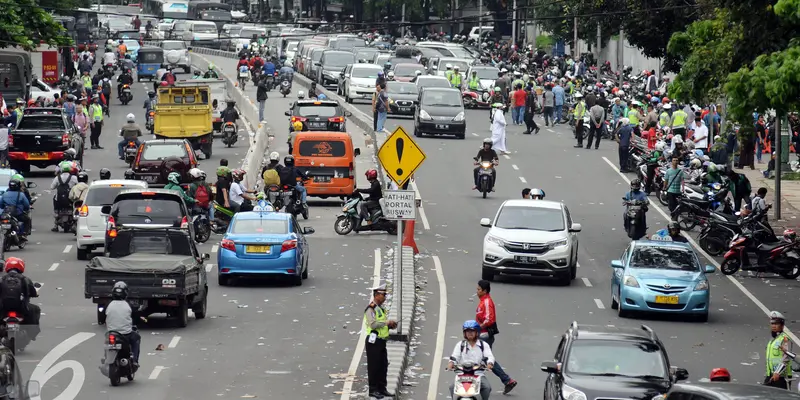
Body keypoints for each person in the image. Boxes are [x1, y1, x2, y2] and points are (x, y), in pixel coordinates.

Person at [475, 280, 518, 394]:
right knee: (484, 358)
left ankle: (506, 380)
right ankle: (506, 380)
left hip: (485, 334)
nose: (477, 291)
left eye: (479, 289)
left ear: (484, 291)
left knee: (484, 358)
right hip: (481, 334)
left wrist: (479, 327)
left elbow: (489, 319)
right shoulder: (483, 301)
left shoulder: (487, 302)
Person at [363, 283, 397, 399]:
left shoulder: (380, 309)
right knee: (374, 367)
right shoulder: (370, 309)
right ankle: (373, 390)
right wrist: (386, 323)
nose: (385, 297)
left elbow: (382, 325)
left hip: (382, 341)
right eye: (383, 295)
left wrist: (390, 325)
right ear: (377, 295)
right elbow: (372, 324)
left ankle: (382, 389)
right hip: (373, 342)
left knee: (383, 366)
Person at [447, 320, 495, 400]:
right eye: (467, 331)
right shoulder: (460, 345)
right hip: (462, 373)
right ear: (464, 333)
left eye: (472, 331)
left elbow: (490, 357)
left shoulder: (483, 345)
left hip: (478, 374)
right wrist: (451, 363)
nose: (469, 333)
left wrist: (489, 364)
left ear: (477, 332)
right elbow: (454, 356)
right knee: (452, 387)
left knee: (487, 387)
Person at [0, 258, 40, 341]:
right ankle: (32, 335)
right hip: (21, 308)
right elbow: (33, 293)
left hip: (4, 308)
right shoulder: (25, 279)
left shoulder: (2, 279)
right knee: (36, 309)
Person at [104, 281, 141, 368]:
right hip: (126, 334)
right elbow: (135, 317)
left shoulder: (108, 305)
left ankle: (106, 357)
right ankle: (135, 360)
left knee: (106, 342)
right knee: (136, 339)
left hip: (111, 333)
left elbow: (103, 318)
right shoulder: (129, 305)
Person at [765, 311, 792, 389]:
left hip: (780, 377)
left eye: (776, 324)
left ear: (782, 326)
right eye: (772, 323)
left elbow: (786, 358)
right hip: (770, 375)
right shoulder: (772, 340)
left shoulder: (784, 339)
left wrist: (777, 372)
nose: (774, 326)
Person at [50, 163, 78, 232]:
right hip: (70, 199)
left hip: (59, 200)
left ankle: (55, 225)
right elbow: (78, 185)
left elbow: (52, 187)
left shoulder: (57, 178)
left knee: (55, 200)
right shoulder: (73, 178)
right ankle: (74, 224)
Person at [663, 156, 685, 220]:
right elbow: (666, 180)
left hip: (678, 191)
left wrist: (683, 188)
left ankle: (675, 216)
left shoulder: (680, 171)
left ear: (678, 162)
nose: (675, 161)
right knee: (671, 205)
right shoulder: (668, 171)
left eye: (676, 160)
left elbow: (682, 181)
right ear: (672, 162)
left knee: (677, 205)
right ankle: (674, 215)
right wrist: (664, 187)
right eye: (674, 160)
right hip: (670, 191)